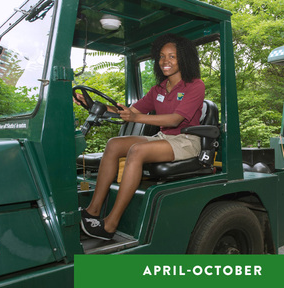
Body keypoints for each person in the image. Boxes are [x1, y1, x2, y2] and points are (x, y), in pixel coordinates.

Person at [76, 34, 205, 240]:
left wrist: (137, 117)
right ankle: (93, 210)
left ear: (184, 58)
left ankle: (110, 224)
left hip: (187, 140)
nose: (165, 61)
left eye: (172, 56)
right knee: (114, 144)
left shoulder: (195, 85)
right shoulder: (158, 89)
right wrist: (93, 105)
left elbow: (174, 120)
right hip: (164, 138)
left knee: (137, 150)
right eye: (162, 56)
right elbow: (128, 112)